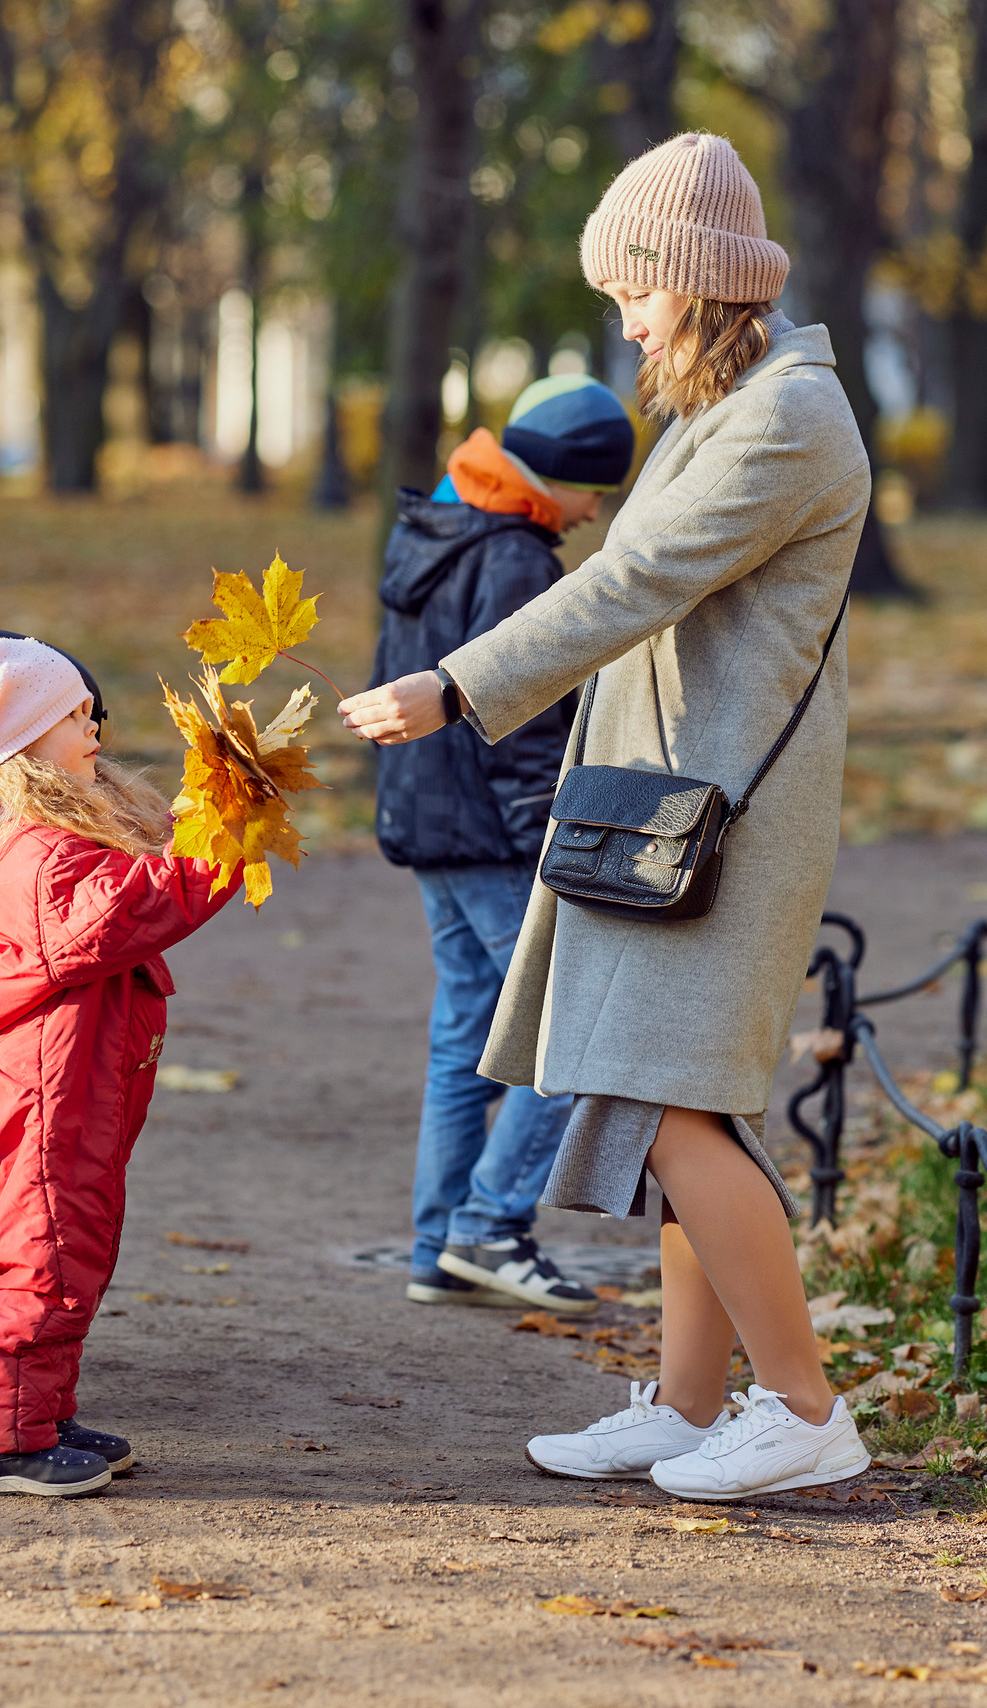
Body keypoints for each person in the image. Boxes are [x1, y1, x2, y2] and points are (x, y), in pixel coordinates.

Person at [338, 133, 875, 1502]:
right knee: (665, 1108)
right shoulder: (724, 407)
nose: (625, 319)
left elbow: (631, 585)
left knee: (678, 1110)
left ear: (696, 277)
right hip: (666, 812)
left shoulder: (788, 419)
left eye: (634, 289)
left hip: (721, 824)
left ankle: (804, 1409)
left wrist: (456, 686)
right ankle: (691, 1409)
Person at [0, 638, 239, 1498]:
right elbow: (124, 911)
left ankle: (41, 1416)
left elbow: (136, 874)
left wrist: (217, 801)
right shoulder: (37, 851)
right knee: (46, 1262)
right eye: (72, 716)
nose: (94, 729)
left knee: (71, 1256)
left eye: (92, 713)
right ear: (18, 737)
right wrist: (223, 848)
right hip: (43, 1099)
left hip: (67, 1089)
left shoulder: (49, 834)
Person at [374, 374, 637, 1315]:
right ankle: (489, 1226)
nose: (593, 513)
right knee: (570, 1026)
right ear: (558, 475)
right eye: (593, 492)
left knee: (464, 1038)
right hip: (494, 831)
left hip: (426, 819)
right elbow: (520, 721)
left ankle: (436, 1249)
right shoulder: (518, 558)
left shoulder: (429, 529)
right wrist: (548, 848)